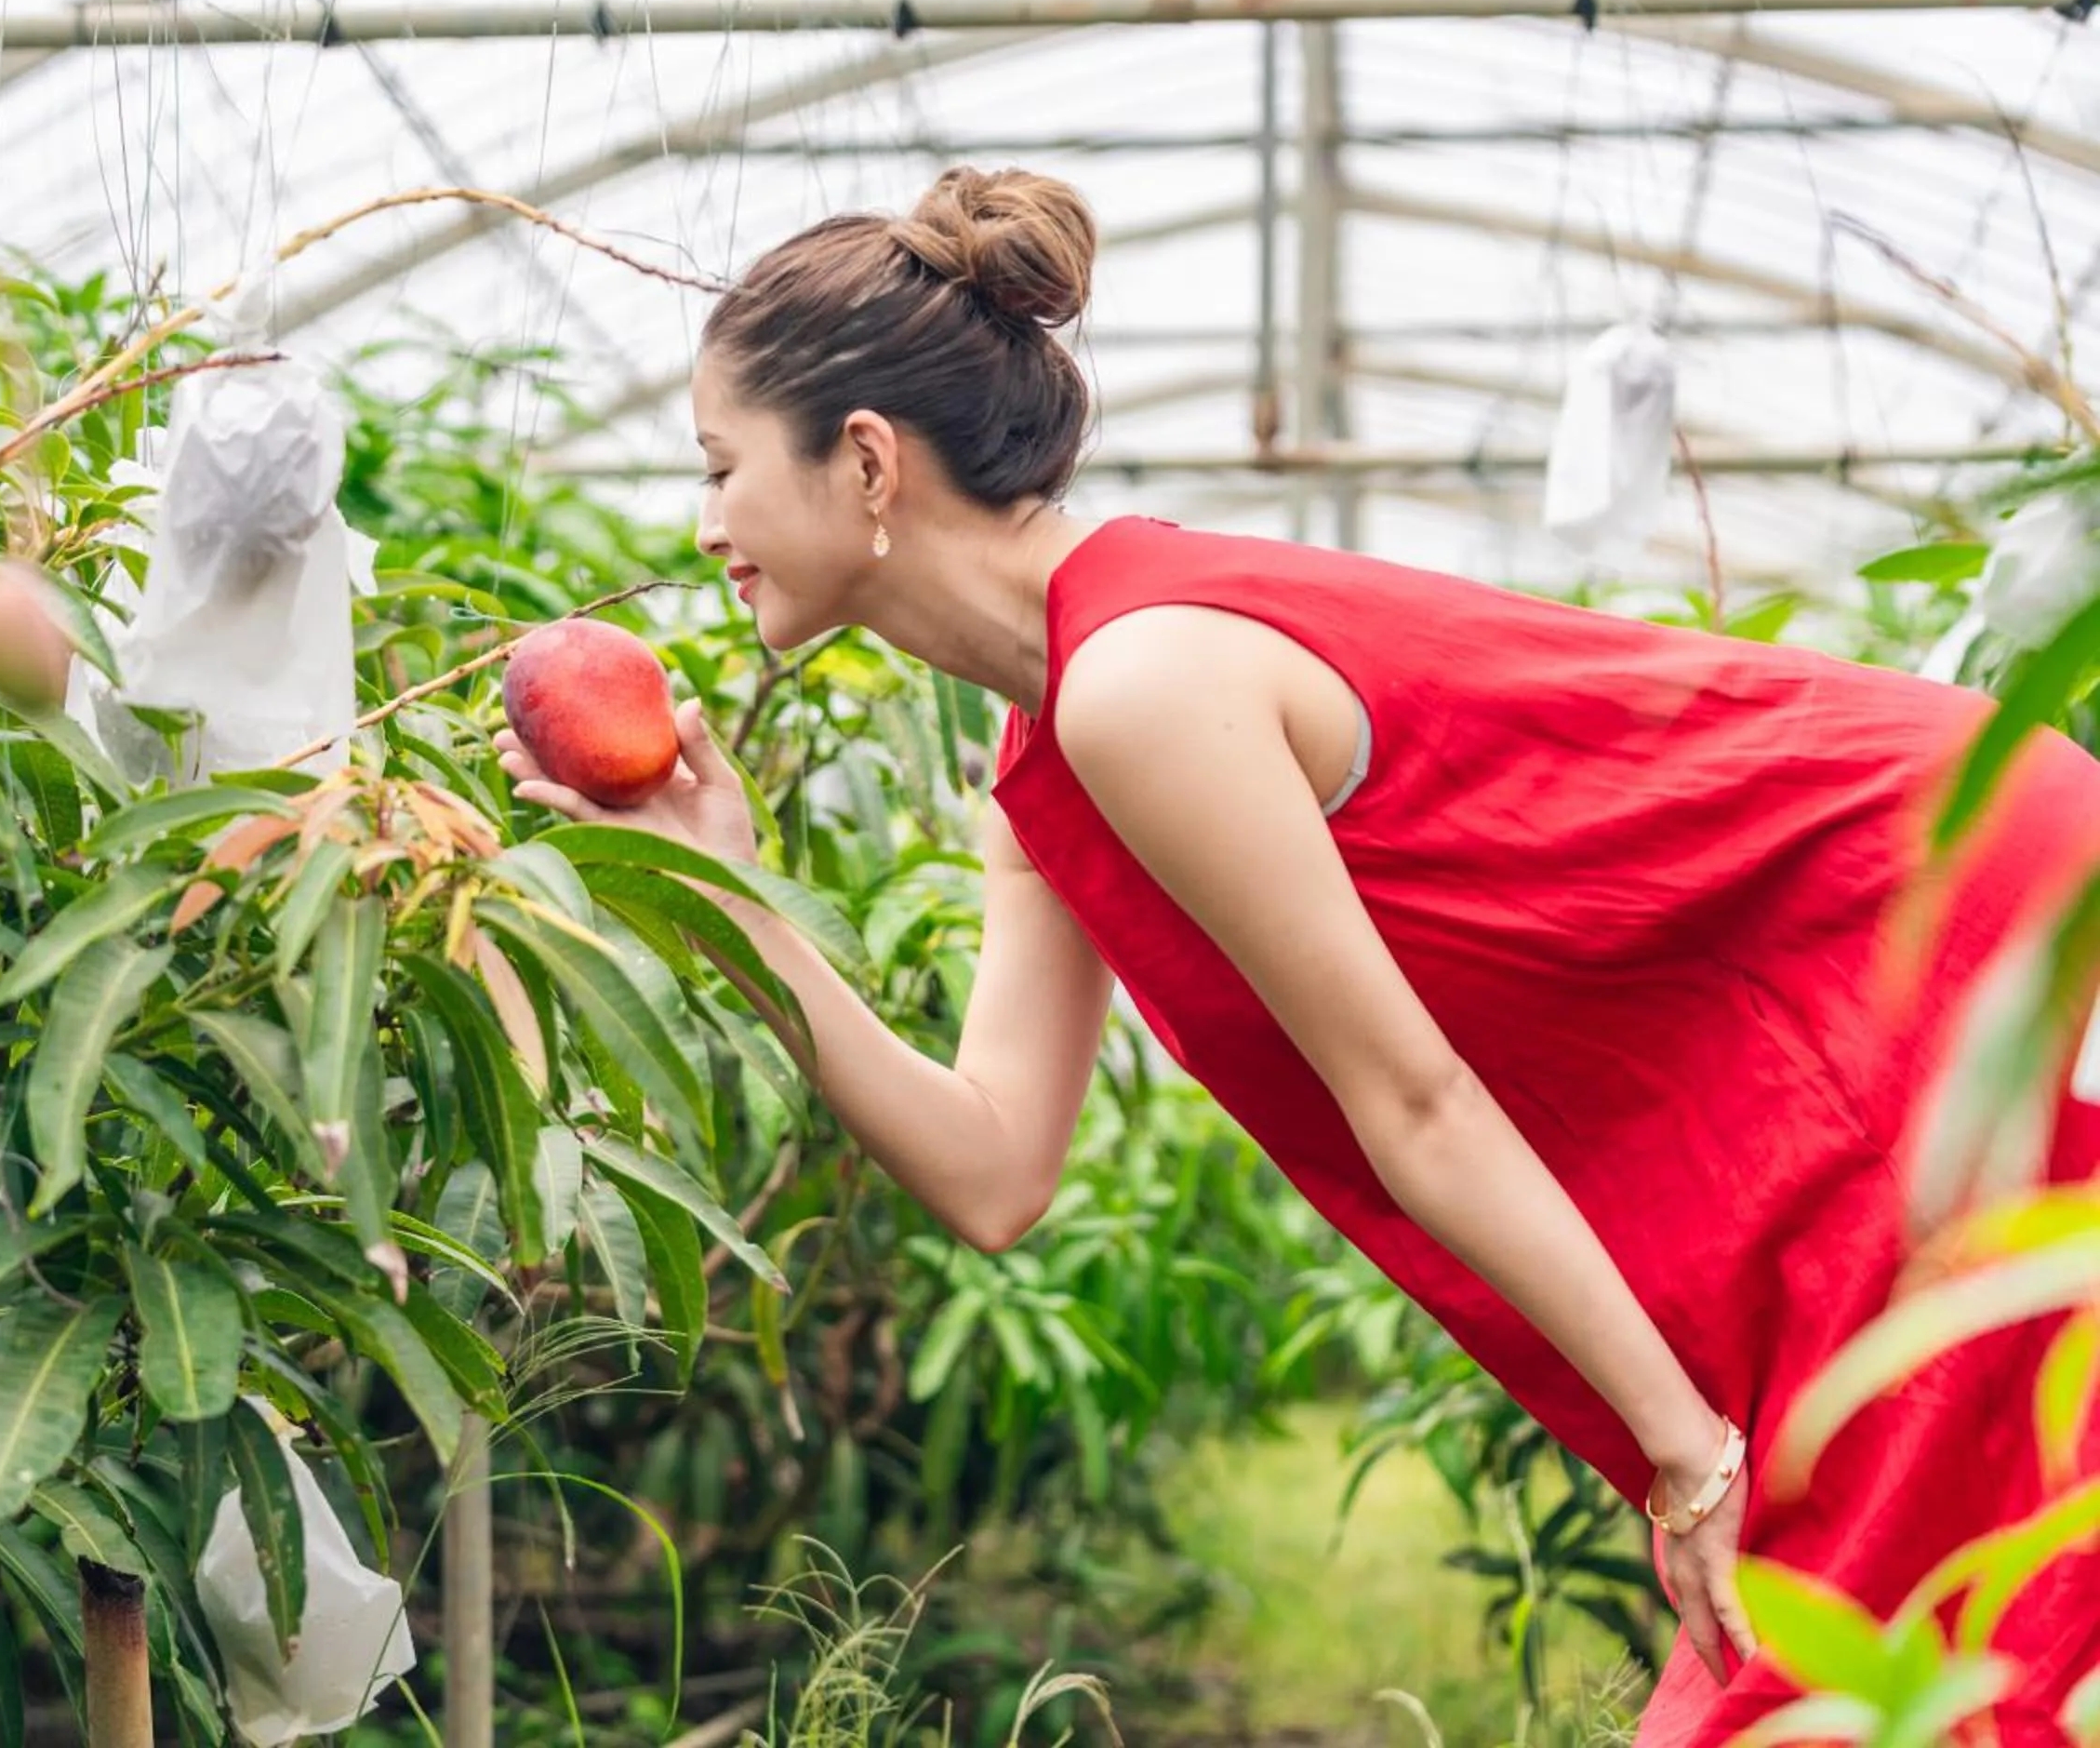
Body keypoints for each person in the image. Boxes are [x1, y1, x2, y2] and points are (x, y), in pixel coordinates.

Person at [494, 167, 2100, 1746]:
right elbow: (993, 1175)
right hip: (1852, 986)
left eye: (720, 470)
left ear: (862, 461)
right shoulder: (1053, 746)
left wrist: (1688, 1456)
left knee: (1876, 1617)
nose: (704, 528)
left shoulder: (1143, 683)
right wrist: (729, 894)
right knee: (1930, 1616)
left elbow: (1417, 1105)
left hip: (1929, 922)